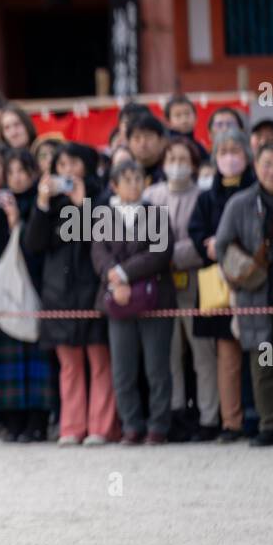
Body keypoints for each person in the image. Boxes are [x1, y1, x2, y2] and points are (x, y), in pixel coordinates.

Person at [23, 142, 119, 446]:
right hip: (58, 293)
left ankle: (101, 427)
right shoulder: (50, 204)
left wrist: (82, 207)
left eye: (73, 165)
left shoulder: (103, 198)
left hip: (93, 290)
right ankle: (71, 426)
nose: (67, 172)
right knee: (69, 363)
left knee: (100, 359)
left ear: (87, 166)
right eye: (61, 166)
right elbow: (33, 245)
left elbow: (103, 239)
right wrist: (40, 204)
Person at [216, 142, 273, 445]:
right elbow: (222, 246)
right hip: (258, 294)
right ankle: (270, 423)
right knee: (265, 361)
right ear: (256, 166)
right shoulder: (240, 203)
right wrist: (247, 269)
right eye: (267, 164)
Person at [0, 148, 55, 442]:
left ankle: (37, 422)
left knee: (34, 355)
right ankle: (11, 421)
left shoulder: (42, 202)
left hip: (33, 288)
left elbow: (37, 249)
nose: (17, 178)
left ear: (33, 174)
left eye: (23, 171)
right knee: (4, 357)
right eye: (12, 172)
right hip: (3, 293)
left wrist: (17, 222)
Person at [92, 160, 175, 444]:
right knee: (123, 368)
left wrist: (124, 273)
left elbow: (160, 252)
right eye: (126, 179)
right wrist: (112, 277)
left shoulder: (156, 213)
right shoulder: (104, 214)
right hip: (117, 300)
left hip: (155, 299)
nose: (134, 184)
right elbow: (99, 252)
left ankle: (159, 425)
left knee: (157, 367)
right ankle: (131, 424)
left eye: (139, 178)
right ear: (114, 185)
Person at [146, 137, 220, 440]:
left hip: (195, 283)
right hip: (160, 285)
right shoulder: (151, 195)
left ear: (193, 164)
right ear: (163, 164)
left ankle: (208, 416)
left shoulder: (204, 196)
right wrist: (160, 256)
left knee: (203, 354)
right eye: (171, 159)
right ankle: (175, 414)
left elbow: (205, 238)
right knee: (169, 354)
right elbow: (142, 236)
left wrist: (170, 254)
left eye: (183, 159)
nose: (177, 165)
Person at [188, 128, 254, 442]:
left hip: (253, 280)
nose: (230, 158)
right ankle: (231, 421)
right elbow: (195, 231)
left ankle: (260, 416)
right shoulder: (205, 197)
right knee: (226, 357)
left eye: (235, 151)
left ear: (247, 155)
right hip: (218, 285)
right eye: (223, 152)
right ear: (215, 157)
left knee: (257, 351)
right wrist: (208, 246)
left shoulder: (256, 189)